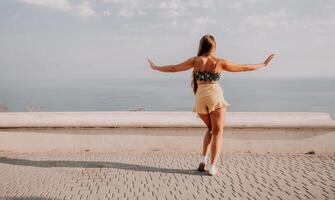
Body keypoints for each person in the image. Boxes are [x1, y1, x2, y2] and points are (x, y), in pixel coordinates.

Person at [147, 34, 275, 176]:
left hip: (200, 98)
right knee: (218, 132)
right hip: (215, 96)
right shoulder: (219, 62)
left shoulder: (194, 61)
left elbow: (173, 68)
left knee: (210, 130)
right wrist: (263, 64)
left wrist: (155, 67)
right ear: (214, 47)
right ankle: (213, 167)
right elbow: (243, 67)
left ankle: (204, 160)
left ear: (201, 46)